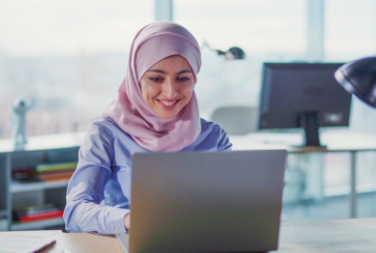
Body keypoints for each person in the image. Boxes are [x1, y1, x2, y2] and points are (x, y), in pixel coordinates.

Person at [63, 21, 232, 235]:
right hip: (127, 242)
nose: (171, 92)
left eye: (183, 78)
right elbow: (75, 212)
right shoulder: (106, 133)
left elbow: (231, 204)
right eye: (156, 78)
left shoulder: (213, 136)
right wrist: (129, 219)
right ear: (137, 78)